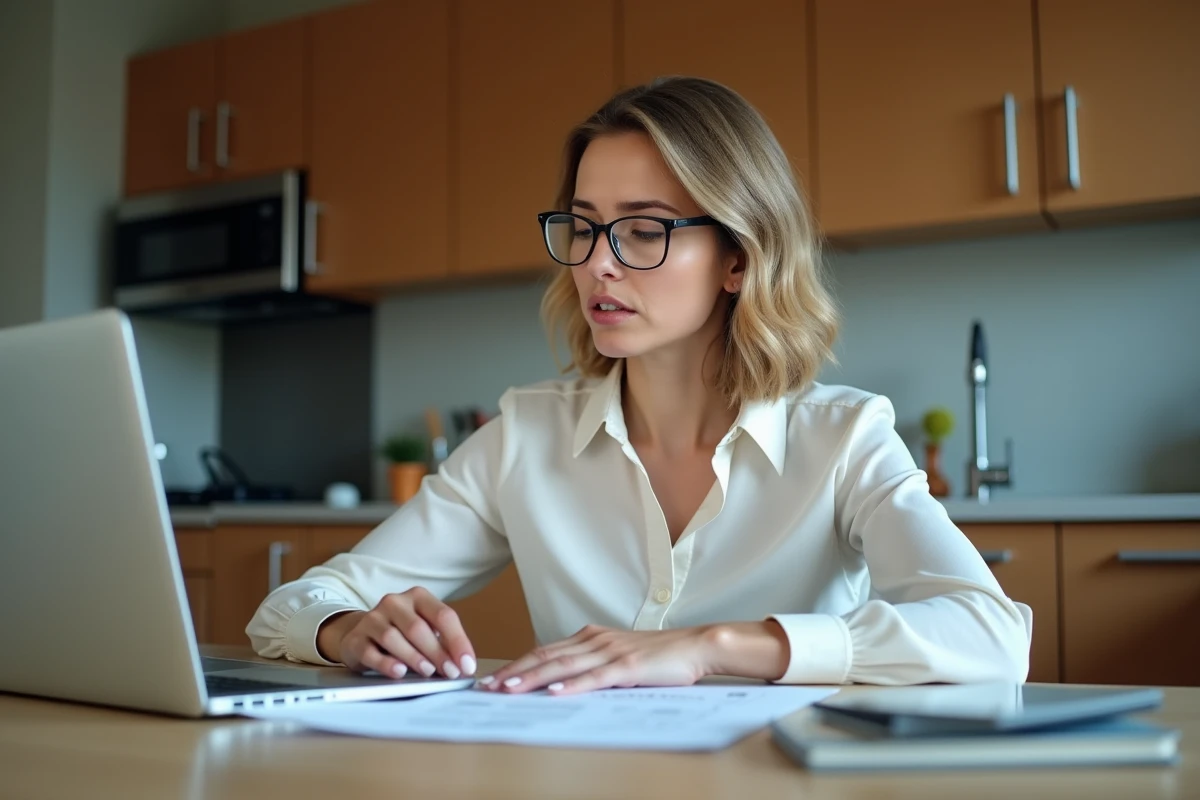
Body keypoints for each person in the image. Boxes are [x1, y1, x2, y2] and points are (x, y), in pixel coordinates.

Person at [247, 77, 1032, 695]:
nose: (598, 262)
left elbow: (991, 636)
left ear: (738, 257)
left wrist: (707, 647)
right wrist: (348, 630)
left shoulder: (844, 439)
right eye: (583, 225)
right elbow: (291, 608)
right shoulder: (525, 438)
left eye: (645, 229)